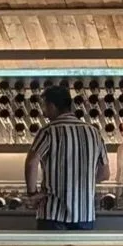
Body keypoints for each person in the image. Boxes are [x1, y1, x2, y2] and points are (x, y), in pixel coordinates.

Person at [26, 84, 107, 231]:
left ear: (52, 106)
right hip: (85, 214)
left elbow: (32, 162)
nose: (44, 112)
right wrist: (81, 184)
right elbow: (104, 173)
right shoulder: (94, 133)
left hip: (53, 214)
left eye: (45, 106)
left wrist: (32, 194)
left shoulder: (48, 131)